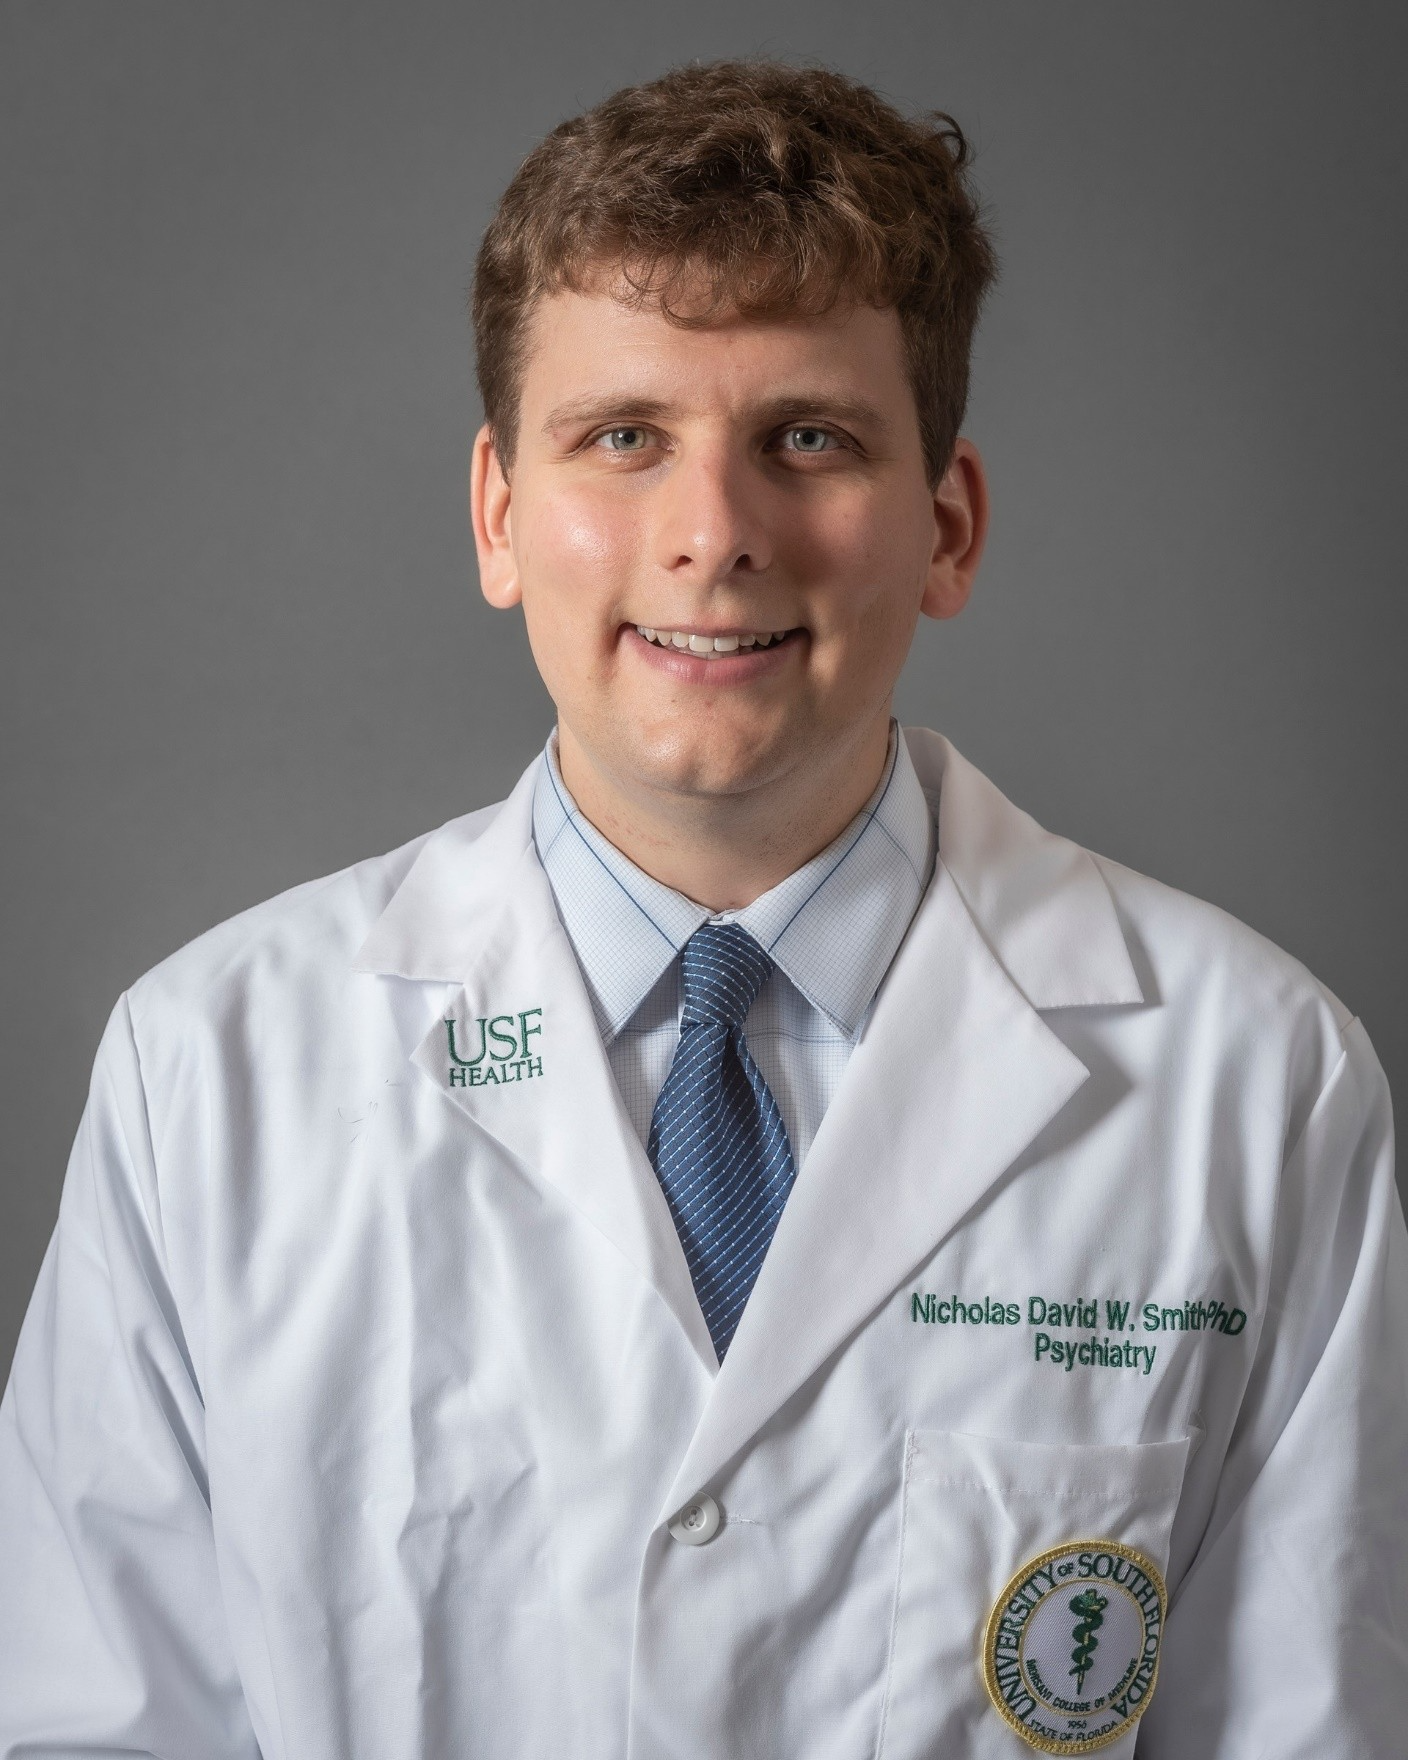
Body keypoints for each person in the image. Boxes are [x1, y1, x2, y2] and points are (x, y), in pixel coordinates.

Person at [0, 57, 1403, 1759]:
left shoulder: (1259, 1088)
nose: (713, 534)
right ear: (500, 514)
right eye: (623, 438)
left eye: (808, 438)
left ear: (948, 529)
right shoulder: (207, 1078)